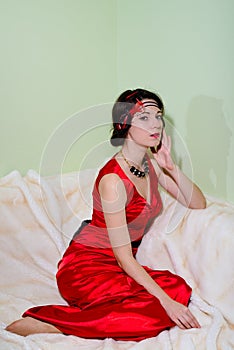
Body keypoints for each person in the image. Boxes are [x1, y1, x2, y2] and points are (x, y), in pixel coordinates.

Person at [6, 88, 206, 341]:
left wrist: (171, 167)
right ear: (124, 124)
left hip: (119, 268)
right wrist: (166, 303)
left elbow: (197, 203)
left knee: (177, 288)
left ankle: (100, 314)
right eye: (144, 117)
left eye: (159, 116)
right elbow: (123, 258)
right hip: (87, 268)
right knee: (161, 307)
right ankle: (57, 324)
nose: (156, 124)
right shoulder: (113, 181)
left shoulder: (150, 165)